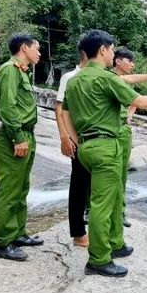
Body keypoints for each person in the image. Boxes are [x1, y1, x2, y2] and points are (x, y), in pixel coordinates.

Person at [61, 29, 147, 277]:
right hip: (106, 146)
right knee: (101, 205)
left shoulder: (74, 81)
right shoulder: (106, 78)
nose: (114, 53)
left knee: (115, 196)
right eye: (113, 49)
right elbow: (139, 101)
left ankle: (116, 242)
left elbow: (66, 113)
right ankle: (98, 259)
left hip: (88, 146)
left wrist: (76, 141)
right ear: (103, 50)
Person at [83, 48, 147, 228]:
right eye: (129, 60)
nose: (132, 64)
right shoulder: (107, 77)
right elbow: (136, 95)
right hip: (107, 131)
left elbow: (132, 93)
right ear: (116, 60)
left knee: (121, 173)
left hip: (121, 128)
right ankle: (93, 211)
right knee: (103, 173)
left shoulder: (112, 78)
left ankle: (119, 211)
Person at [0, 33, 43, 261]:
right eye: (37, 48)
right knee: (9, 190)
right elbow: (7, 107)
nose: (39, 52)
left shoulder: (22, 71)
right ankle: (3, 243)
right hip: (15, 137)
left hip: (26, 135)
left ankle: (18, 232)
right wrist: (17, 138)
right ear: (24, 47)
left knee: (21, 188)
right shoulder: (9, 70)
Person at [55, 41, 90, 247]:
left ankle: (91, 225)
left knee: (92, 185)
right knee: (79, 184)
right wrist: (64, 137)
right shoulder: (69, 77)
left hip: (93, 140)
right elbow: (59, 109)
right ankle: (78, 233)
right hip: (77, 139)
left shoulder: (100, 77)